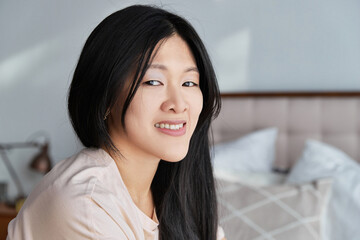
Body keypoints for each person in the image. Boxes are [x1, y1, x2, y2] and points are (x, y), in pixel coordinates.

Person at [7, 4, 226, 240]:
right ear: (107, 97)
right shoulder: (87, 204)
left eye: (189, 83)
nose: (179, 104)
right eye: (153, 82)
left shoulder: (183, 192)